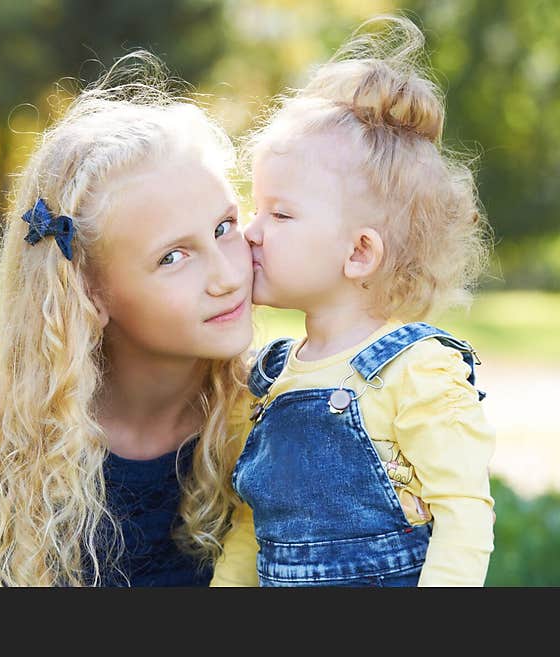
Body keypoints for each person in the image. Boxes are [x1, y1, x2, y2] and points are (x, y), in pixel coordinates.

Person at [0, 53, 254, 587]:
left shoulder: (267, 417)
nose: (226, 275)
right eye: (172, 257)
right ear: (90, 290)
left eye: (225, 227)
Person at [211, 16, 496, 587]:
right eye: (255, 208)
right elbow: (252, 525)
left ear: (360, 252)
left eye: (280, 213)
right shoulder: (268, 379)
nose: (251, 231)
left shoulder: (416, 371)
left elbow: (463, 518)